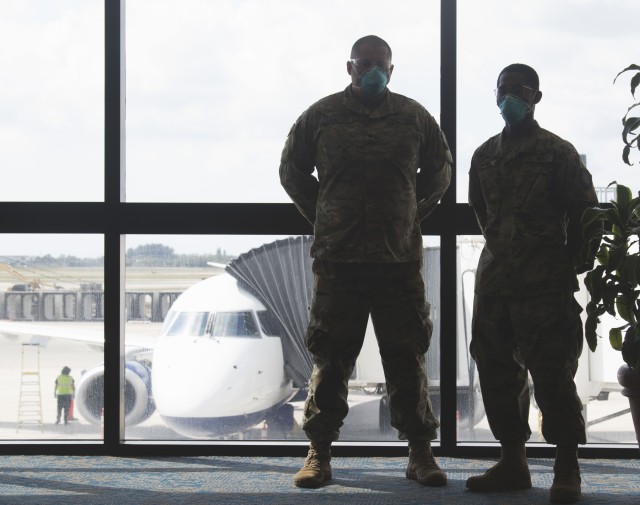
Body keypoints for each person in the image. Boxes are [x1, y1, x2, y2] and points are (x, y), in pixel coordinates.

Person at [279, 35, 452, 489]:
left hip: (398, 263)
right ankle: (319, 452)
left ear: (391, 70)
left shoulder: (413, 118)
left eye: (381, 64)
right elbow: (291, 170)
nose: (373, 70)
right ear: (349, 67)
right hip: (341, 261)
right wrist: (324, 213)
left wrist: (413, 211)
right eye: (365, 63)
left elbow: (441, 169)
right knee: (331, 359)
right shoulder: (321, 116)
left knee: (405, 358)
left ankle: (420, 453)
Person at [466, 63, 600, 504]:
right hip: (495, 284)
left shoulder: (558, 153)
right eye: (503, 90)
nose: (510, 98)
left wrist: (569, 265)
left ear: (536, 97)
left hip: (544, 286)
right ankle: (513, 462)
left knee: (552, 374)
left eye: (519, 91)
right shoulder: (484, 155)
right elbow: (481, 212)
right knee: (497, 372)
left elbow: (587, 215)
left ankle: (567, 466)